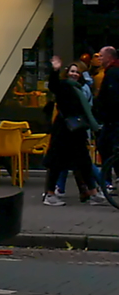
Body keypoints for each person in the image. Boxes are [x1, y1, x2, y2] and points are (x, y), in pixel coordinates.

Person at [42, 57, 108, 206]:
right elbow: (54, 85)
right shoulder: (64, 86)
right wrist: (55, 70)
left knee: (83, 162)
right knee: (57, 163)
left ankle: (93, 193)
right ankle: (50, 194)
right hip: (64, 131)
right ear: (67, 73)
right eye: (72, 71)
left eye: (77, 72)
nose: (74, 74)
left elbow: (87, 110)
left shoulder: (80, 88)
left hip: (76, 131)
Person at [95, 46, 119, 174]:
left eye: (101, 56)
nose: (99, 58)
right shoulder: (111, 72)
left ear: (109, 57)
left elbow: (112, 97)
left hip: (112, 121)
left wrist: (103, 113)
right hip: (112, 120)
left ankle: (108, 180)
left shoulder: (112, 73)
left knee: (106, 147)